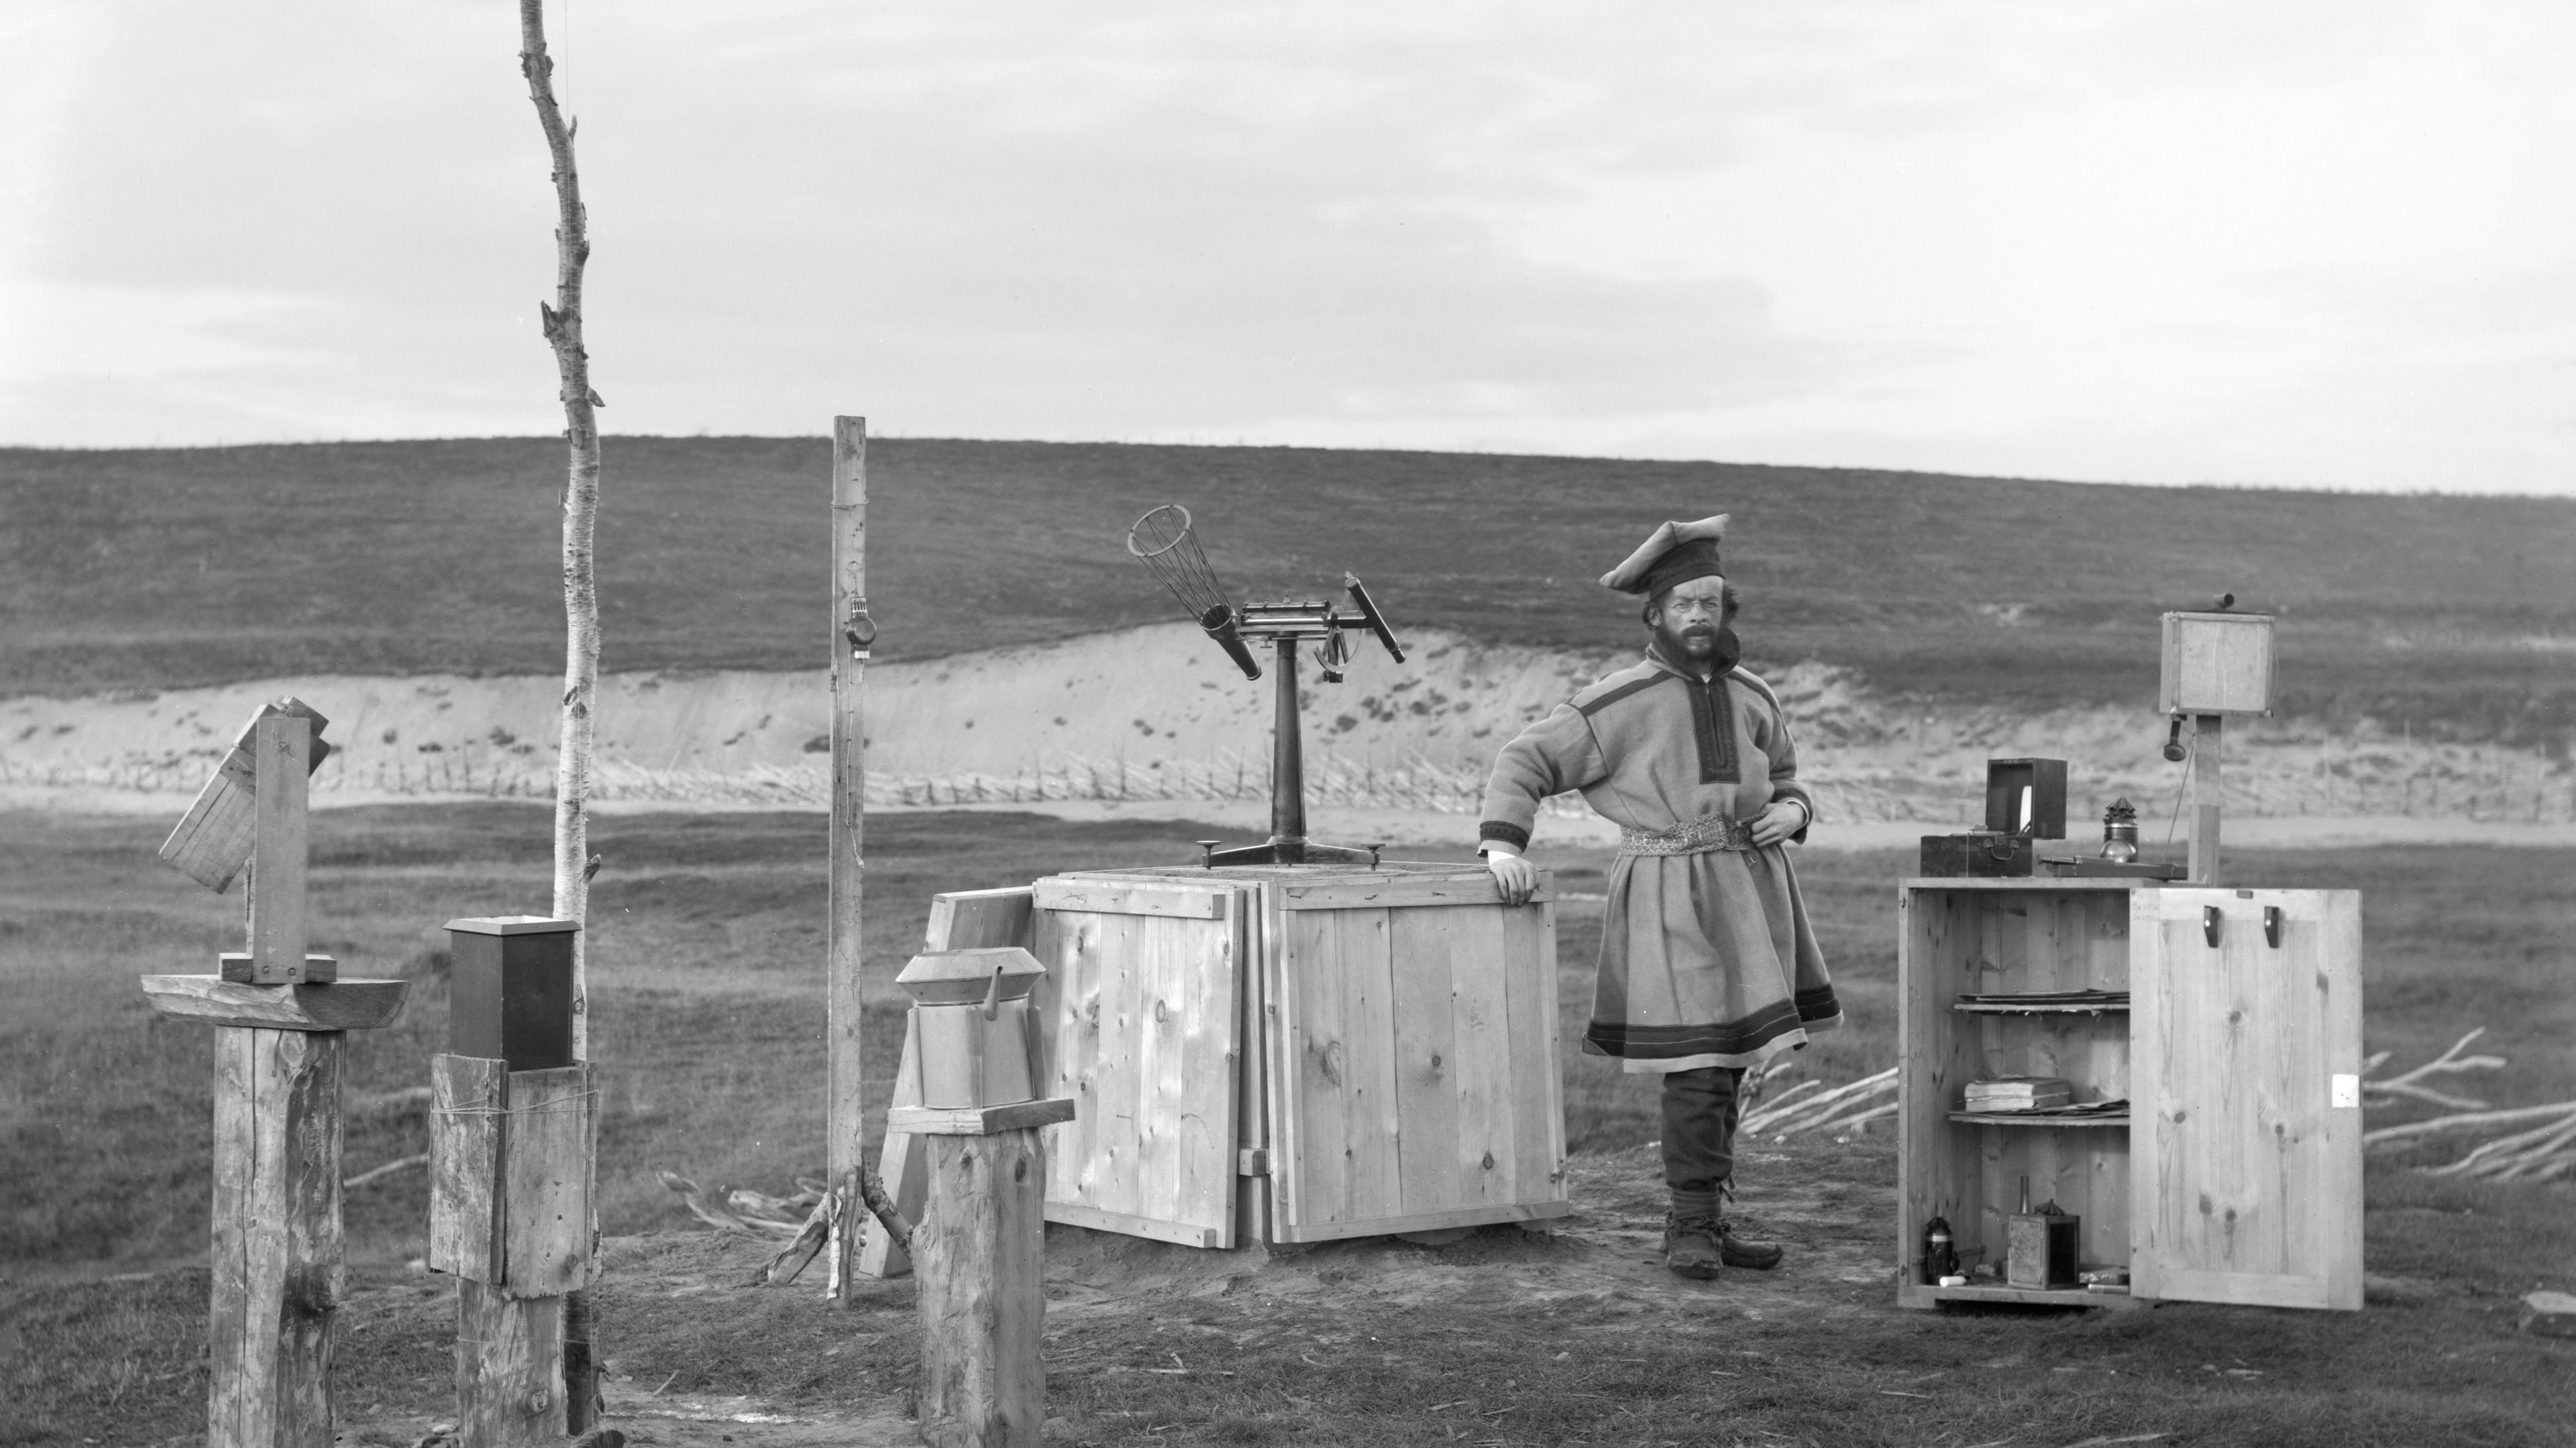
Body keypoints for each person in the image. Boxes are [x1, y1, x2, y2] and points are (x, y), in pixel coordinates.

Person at [1477, 514, 1840, 1280]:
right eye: (1684, 604)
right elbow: (1524, 759)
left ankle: (1710, 1214)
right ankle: (1689, 1226)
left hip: (1753, 886)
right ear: (1656, 615)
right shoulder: (1620, 700)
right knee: (1701, 1062)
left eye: (1711, 601)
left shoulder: (1752, 693)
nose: (1700, 615)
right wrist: (1504, 844)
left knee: (1736, 1058)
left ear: (1727, 611)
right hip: (1669, 889)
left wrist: (1795, 809)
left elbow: (1786, 770)